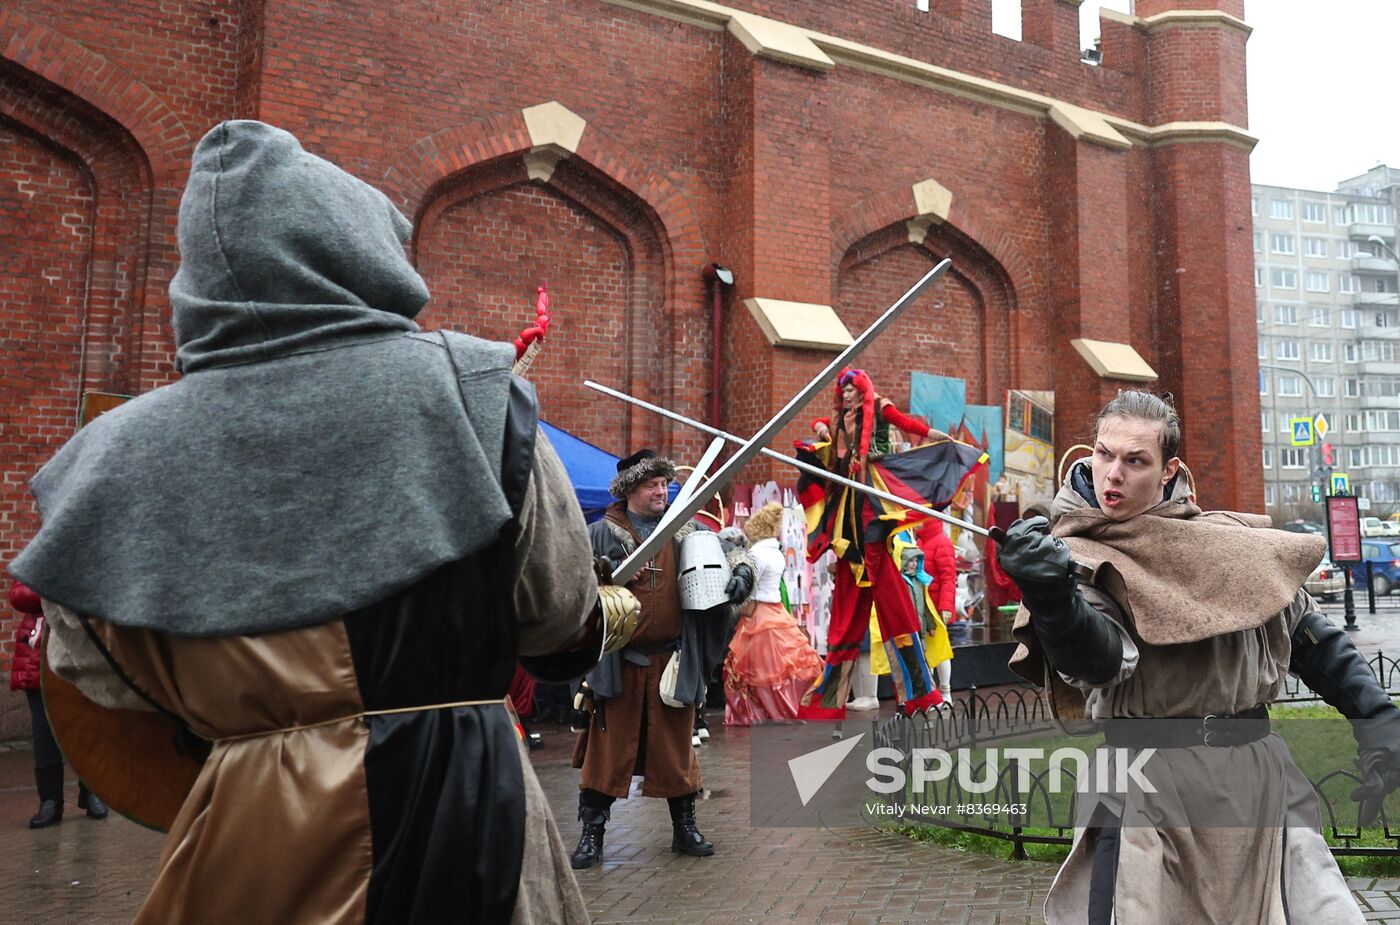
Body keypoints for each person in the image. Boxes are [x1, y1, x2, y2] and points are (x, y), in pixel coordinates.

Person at [10, 120, 614, 925]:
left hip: (244, 847)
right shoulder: (472, 394)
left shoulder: (106, 464)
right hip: (470, 828)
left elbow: (99, 689)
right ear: (359, 248)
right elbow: (556, 617)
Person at [999, 389, 1400, 924]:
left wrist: (1377, 720)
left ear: (1169, 470)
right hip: (1148, 789)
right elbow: (1100, 663)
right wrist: (1051, 600)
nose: (1112, 474)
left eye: (1135, 460)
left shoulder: (1227, 544)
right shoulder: (1075, 552)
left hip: (1254, 781)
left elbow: (1306, 633)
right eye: (1103, 454)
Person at [571, 449, 755, 869]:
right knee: (607, 751)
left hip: (671, 662)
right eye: (653, 485)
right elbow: (575, 582)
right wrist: (608, 570)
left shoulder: (683, 528)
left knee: (675, 752)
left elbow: (730, 553)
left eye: (663, 484)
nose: (662, 491)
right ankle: (591, 835)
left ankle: (685, 829)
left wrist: (741, 573)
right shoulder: (600, 533)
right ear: (631, 489)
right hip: (617, 661)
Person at [797, 368, 983, 719]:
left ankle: (921, 692)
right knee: (853, 562)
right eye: (844, 390)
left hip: (875, 489)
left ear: (862, 388)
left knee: (876, 549)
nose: (848, 394)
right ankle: (855, 562)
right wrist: (822, 428)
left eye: (852, 389)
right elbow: (819, 423)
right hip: (850, 497)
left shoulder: (878, 408)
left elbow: (904, 421)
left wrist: (931, 433)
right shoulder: (840, 415)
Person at [7, 579, 106, 827]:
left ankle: (92, 791)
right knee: (44, 734)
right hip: (38, 656)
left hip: (80, 652)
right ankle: (50, 802)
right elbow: (18, 595)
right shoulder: (38, 550)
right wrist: (50, 589)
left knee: (87, 729)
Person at [723, 502, 824, 725]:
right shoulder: (775, 553)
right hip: (775, 610)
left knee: (762, 670)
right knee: (776, 669)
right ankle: (785, 709)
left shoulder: (757, 554)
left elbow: (749, 585)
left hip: (759, 613)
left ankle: (767, 712)